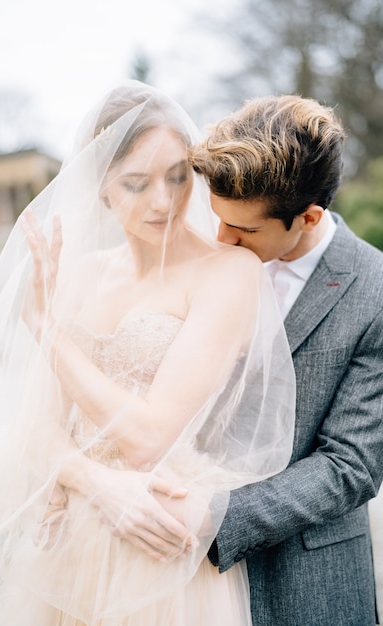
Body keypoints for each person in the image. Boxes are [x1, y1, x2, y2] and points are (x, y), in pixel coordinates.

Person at [0, 82, 296, 625]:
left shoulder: (228, 273)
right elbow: (37, 425)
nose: (164, 201)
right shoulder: (82, 272)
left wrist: (47, 331)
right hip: (68, 536)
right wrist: (95, 483)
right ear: (100, 188)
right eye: (136, 184)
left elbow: (148, 437)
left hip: (157, 542)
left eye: (177, 175)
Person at [188, 94, 383, 625]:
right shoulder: (199, 264)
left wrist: (210, 520)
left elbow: (352, 464)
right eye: (219, 219)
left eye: (244, 231)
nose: (221, 240)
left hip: (309, 584)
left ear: (308, 215)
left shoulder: (375, 290)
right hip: (179, 582)